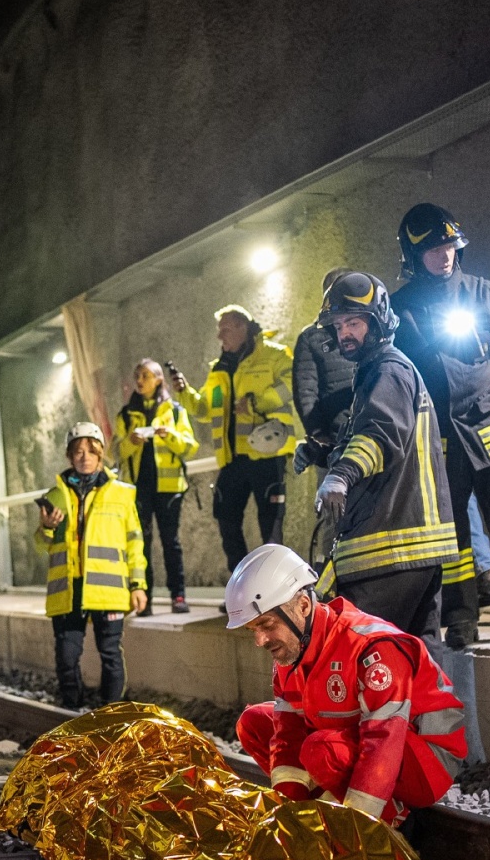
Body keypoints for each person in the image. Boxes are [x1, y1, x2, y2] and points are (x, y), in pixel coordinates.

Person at [390, 203, 490, 648]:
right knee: (454, 541)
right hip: (438, 443)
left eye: (449, 246)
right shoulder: (398, 311)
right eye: (433, 250)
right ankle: (461, 620)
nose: (444, 256)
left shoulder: (488, 296)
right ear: (413, 255)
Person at [228, 545, 469, 826]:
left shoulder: (372, 649)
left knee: (320, 750)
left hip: (425, 758)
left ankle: (391, 819)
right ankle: (320, 812)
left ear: (303, 606)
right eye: (252, 629)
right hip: (360, 739)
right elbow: (287, 737)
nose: (260, 640)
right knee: (254, 722)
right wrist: (294, 825)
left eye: (266, 625)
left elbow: (383, 742)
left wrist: (357, 831)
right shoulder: (291, 653)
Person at [306, 271, 457, 657]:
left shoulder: (388, 369)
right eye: (339, 326)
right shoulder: (378, 371)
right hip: (413, 546)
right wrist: (325, 456)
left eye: (353, 323)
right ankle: (433, 721)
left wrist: (339, 475)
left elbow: (380, 436)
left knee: (363, 657)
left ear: (378, 321)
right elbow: (383, 443)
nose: (344, 335)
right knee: (420, 660)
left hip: (391, 547)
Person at [168, 305, 297, 573]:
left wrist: (257, 402)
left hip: (267, 457)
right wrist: (184, 393)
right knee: (225, 518)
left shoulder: (274, 355)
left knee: (270, 525)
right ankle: (243, 587)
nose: (219, 336)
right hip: (232, 459)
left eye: (224, 329)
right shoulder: (219, 369)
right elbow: (205, 409)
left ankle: (280, 590)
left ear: (243, 327)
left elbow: (293, 385)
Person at [36, 422, 148, 708]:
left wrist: (138, 585)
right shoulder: (55, 495)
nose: (84, 456)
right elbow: (41, 545)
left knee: (110, 653)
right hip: (68, 589)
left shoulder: (121, 494)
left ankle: (111, 714)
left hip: (108, 590)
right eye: (78, 451)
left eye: (91, 450)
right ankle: (71, 714)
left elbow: (135, 542)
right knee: (66, 655)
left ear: (100, 455)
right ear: (70, 456)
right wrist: (46, 528)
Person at [113, 360, 198, 615]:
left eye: (146, 375)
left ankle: (178, 596)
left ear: (159, 379)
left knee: (171, 542)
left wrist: (167, 435)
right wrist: (131, 440)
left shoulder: (174, 411)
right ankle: (144, 599)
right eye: (137, 375)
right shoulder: (126, 415)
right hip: (138, 489)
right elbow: (114, 452)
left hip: (169, 489)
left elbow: (189, 447)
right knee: (142, 543)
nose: (140, 380)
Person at [292, 268, 357, 444]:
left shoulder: (370, 329)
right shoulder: (312, 338)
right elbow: (305, 389)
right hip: (336, 436)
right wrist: (317, 431)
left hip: (372, 428)